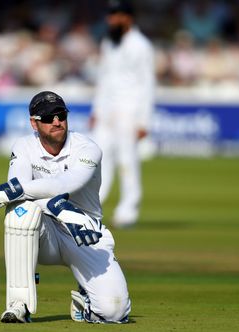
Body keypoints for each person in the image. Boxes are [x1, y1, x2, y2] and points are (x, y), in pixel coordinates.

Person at [0, 91, 131, 324]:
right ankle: (18, 303)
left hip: (85, 233)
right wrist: (55, 207)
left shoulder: (88, 148)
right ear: (34, 122)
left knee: (114, 312)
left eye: (60, 114)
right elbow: (20, 194)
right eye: (48, 116)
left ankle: (85, 298)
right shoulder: (23, 146)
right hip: (44, 233)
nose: (56, 121)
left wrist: (1, 193)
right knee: (20, 214)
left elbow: (66, 184)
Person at [90, 0, 155, 228]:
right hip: (107, 108)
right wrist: (96, 109)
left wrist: (143, 120)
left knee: (127, 159)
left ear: (128, 18)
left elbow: (147, 84)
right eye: (110, 16)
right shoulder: (109, 42)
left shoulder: (141, 45)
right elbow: (103, 78)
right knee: (97, 157)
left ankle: (128, 209)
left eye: (116, 15)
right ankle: (93, 204)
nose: (111, 20)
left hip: (130, 108)